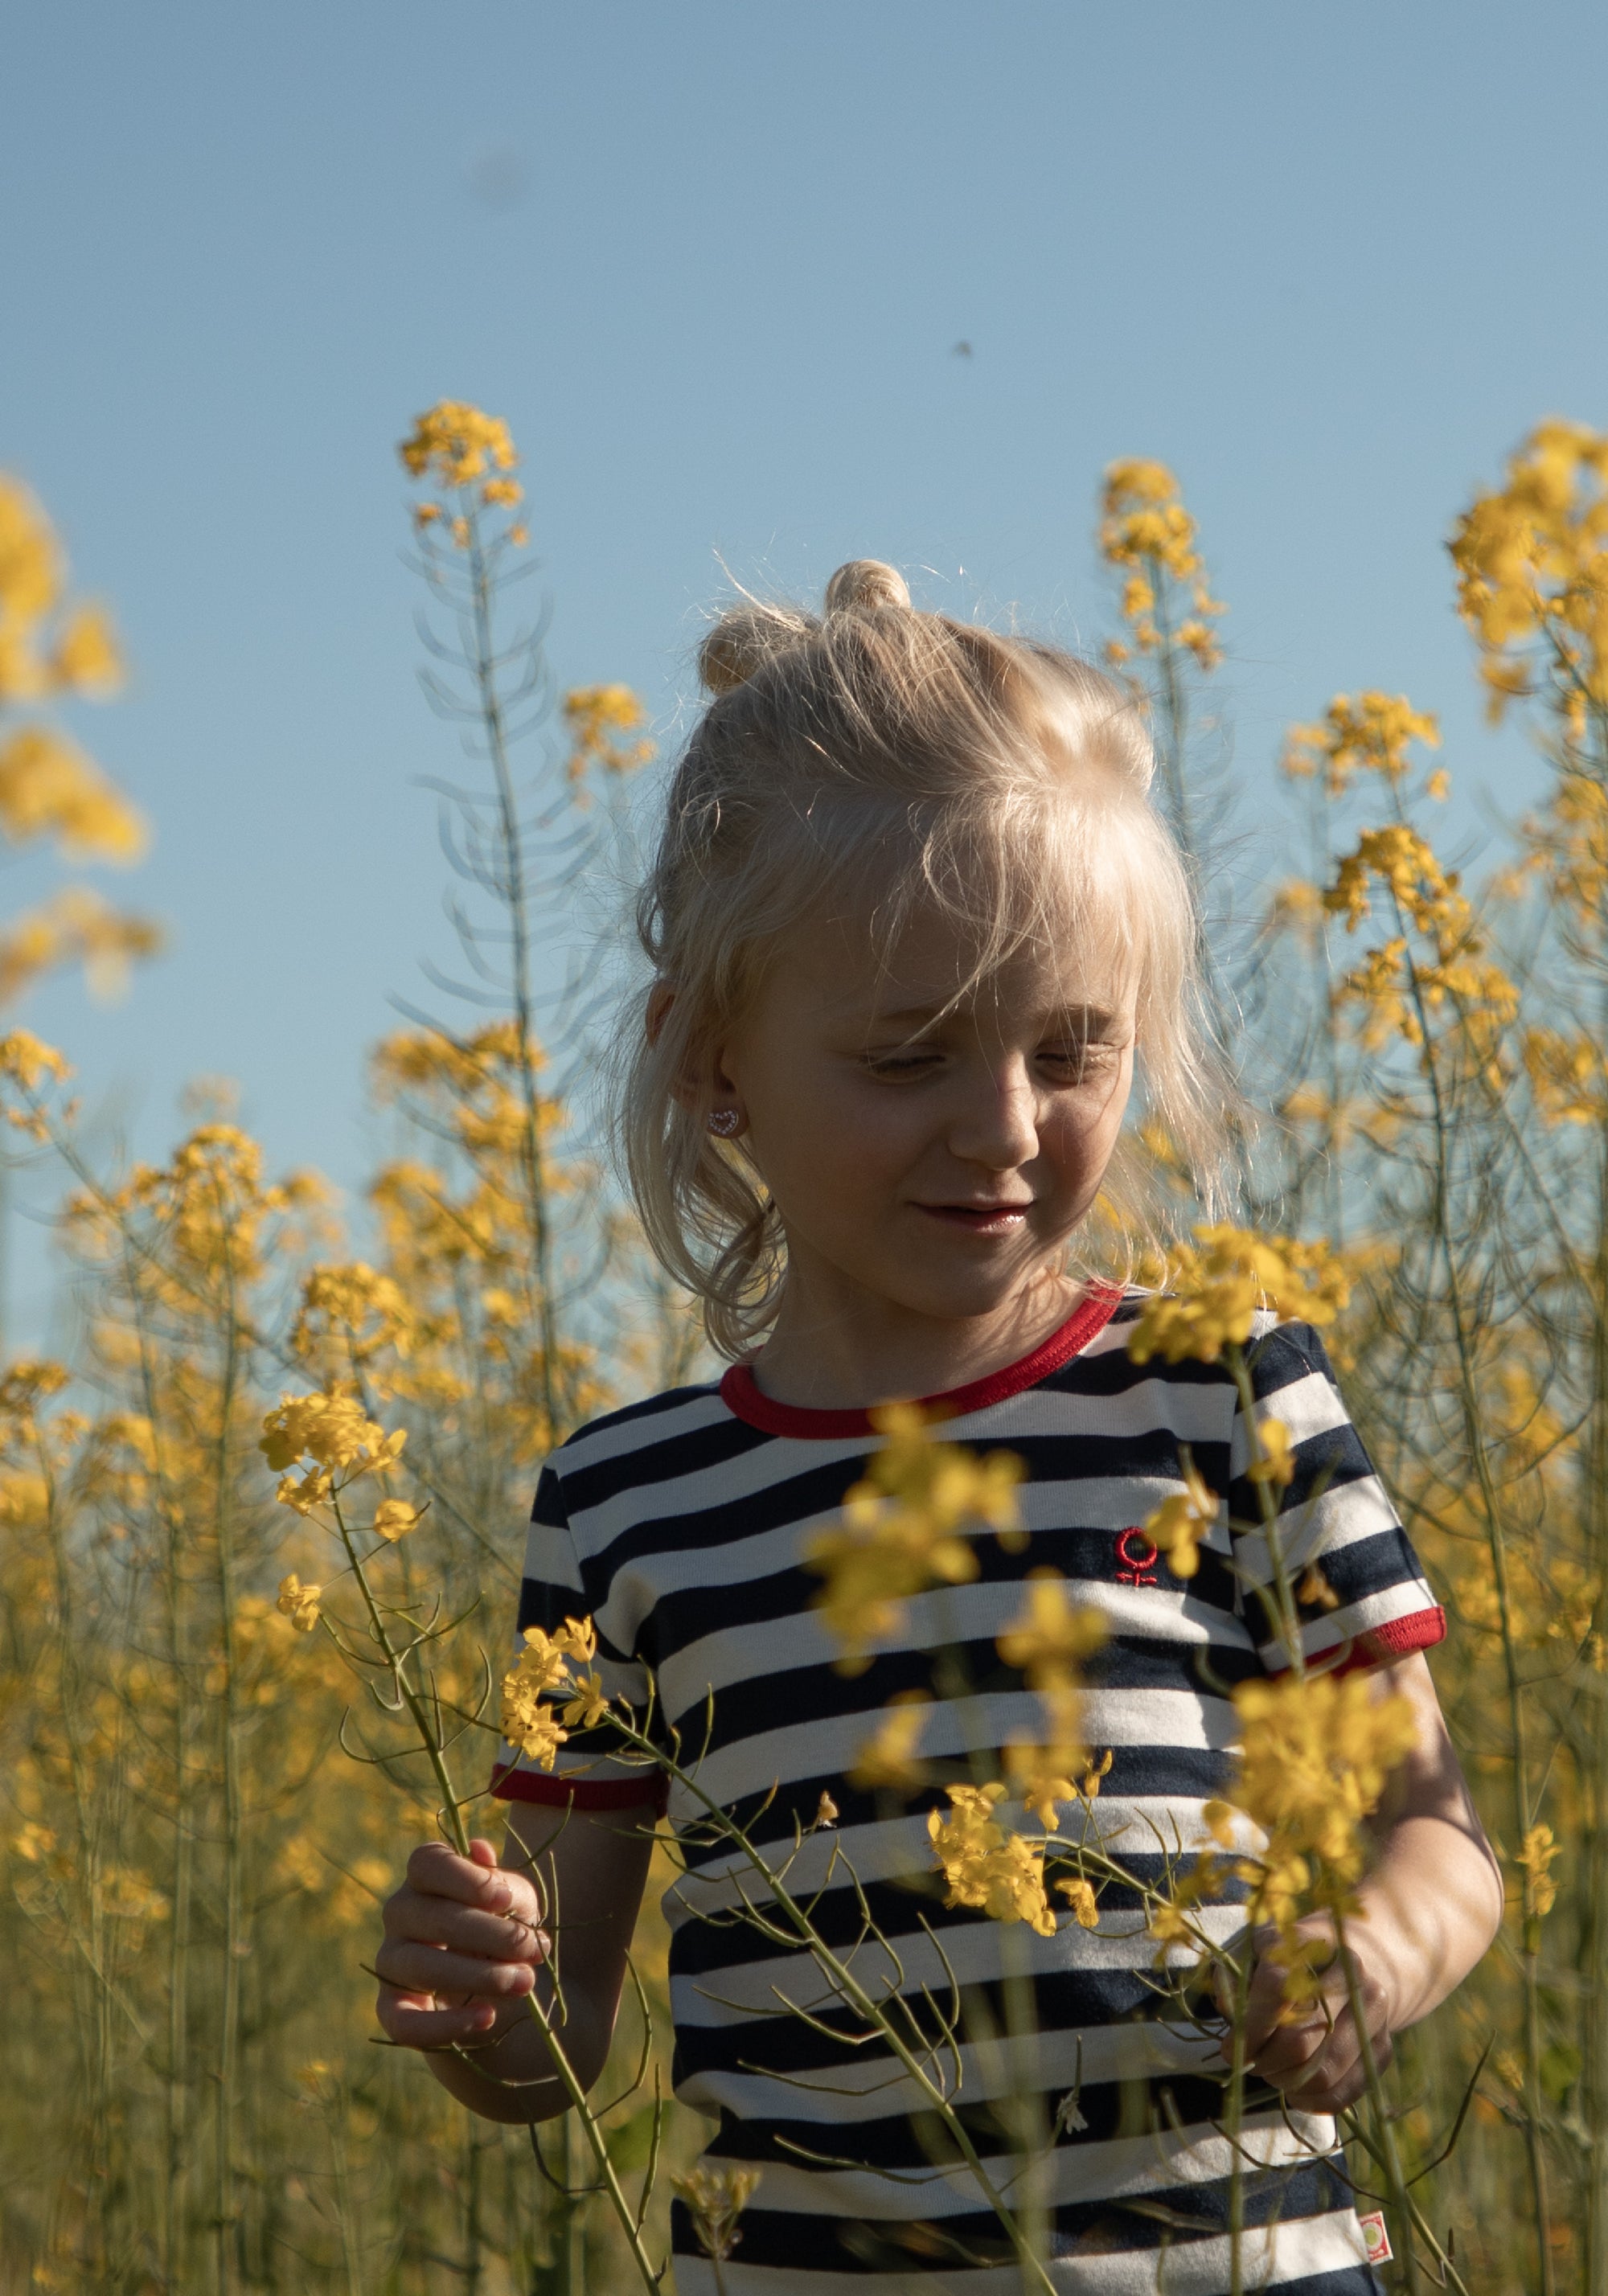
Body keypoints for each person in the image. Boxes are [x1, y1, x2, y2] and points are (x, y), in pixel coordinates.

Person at [374, 562, 1502, 2294]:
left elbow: (1438, 1838)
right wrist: (486, 2000)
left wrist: (1378, 1951)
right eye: (907, 1057)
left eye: (1073, 1052)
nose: (1001, 1128)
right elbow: (559, 2055)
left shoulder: (1226, 1393)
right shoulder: (623, 1503)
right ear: (712, 1063)